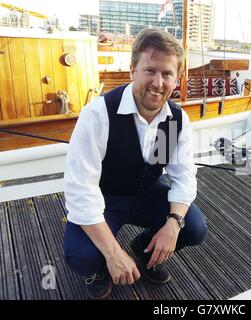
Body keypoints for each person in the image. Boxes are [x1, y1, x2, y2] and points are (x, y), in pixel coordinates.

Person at [63, 28, 208, 300]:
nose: (158, 82)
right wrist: (113, 253)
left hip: (145, 193)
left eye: (167, 74)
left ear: (176, 79)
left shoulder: (174, 120)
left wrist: (173, 225)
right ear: (132, 70)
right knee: (83, 255)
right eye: (150, 71)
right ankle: (99, 269)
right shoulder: (99, 114)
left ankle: (144, 248)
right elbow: (80, 190)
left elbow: (184, 177)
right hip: (104, 197)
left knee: (194, 227)